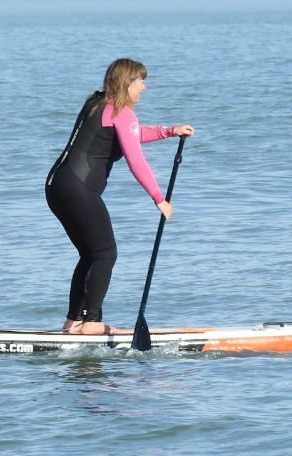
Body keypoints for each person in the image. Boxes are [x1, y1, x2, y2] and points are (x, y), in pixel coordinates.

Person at [45, 58, 195, 335]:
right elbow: (135, 160)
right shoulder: (122, 112)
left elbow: (130, 135)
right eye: (140, 81)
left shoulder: (97, 102)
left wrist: (168, 131)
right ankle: (92, 323)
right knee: (105, 253)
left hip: (57, 185)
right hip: (78, 189)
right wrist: (158, 198)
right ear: (128, 83)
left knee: (91, 254)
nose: (144, 87)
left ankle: (74, 322)